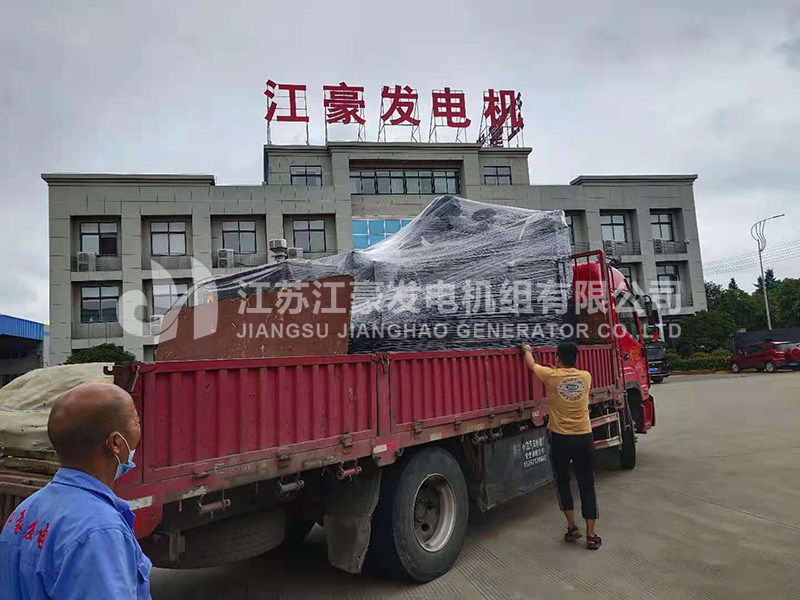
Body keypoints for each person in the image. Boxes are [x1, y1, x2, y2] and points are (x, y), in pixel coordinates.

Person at [0, 382, 152, 599]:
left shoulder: (24, 511)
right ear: (116, 443)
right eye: (136, 420)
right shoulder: (100, 531)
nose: (139, 426)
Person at [521, 341, 601, 550]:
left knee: (563, 481)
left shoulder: (551, 376)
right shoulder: (586, 376)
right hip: (584, 437)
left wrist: (527, 349)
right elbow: (567, 379)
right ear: (575, 359)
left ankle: (572, 527)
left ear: (557, 358)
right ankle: (591, 536)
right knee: (587, 484)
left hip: (561, 439)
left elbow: (531, 365)